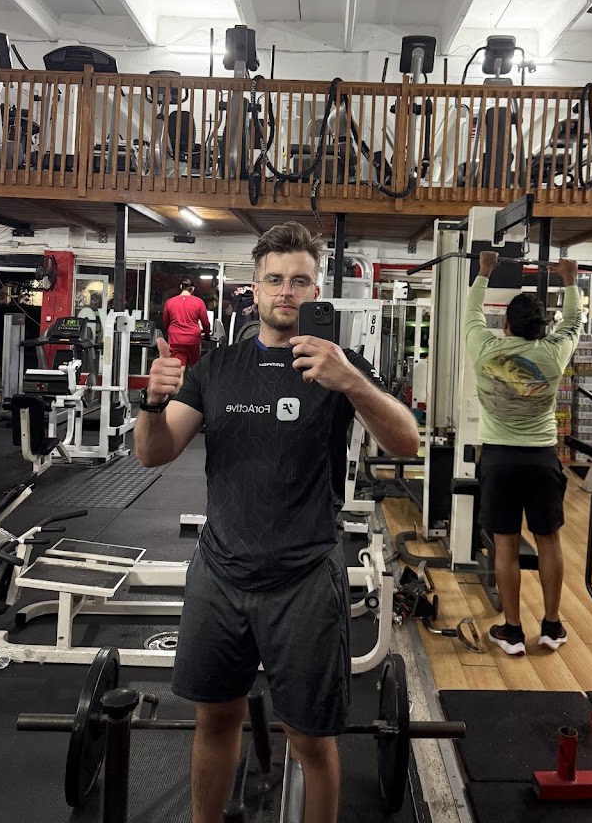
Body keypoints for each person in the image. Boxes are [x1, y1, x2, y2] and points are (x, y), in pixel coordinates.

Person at [135, 221, 420, 823]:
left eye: (299, 281)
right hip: (221, 575)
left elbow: (406, 442)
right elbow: (154, 453)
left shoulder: (342, 365)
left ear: (316, 291)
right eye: (274, 280)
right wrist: (151, 404)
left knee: (312, 741)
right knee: (216, 720)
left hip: (305, 579)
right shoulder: (218, 368)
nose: (286, 291)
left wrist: (352, 382)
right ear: (256, 289)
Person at [465, 251, 583, 657]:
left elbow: (472, 314)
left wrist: (484, 272)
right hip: (541, 460)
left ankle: (513, 631)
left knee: (506, 545)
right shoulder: (553, 352)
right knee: (549, 541)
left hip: (499, 460)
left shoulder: (484, 348)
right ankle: (551, 625)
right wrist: (570, 279)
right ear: (541, 327)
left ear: (506, 324)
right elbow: (574, 321)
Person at [162, 279, 212, 370]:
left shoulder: (170, 302)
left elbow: (166, 321)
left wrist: (170, 333)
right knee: (193, 368)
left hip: (176, 339)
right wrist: (207, 335)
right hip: (193, 339)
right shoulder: (199, 302)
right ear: (193, 289)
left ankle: (180, 380)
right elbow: (205, 322)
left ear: (181, 287)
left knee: (179, 368)